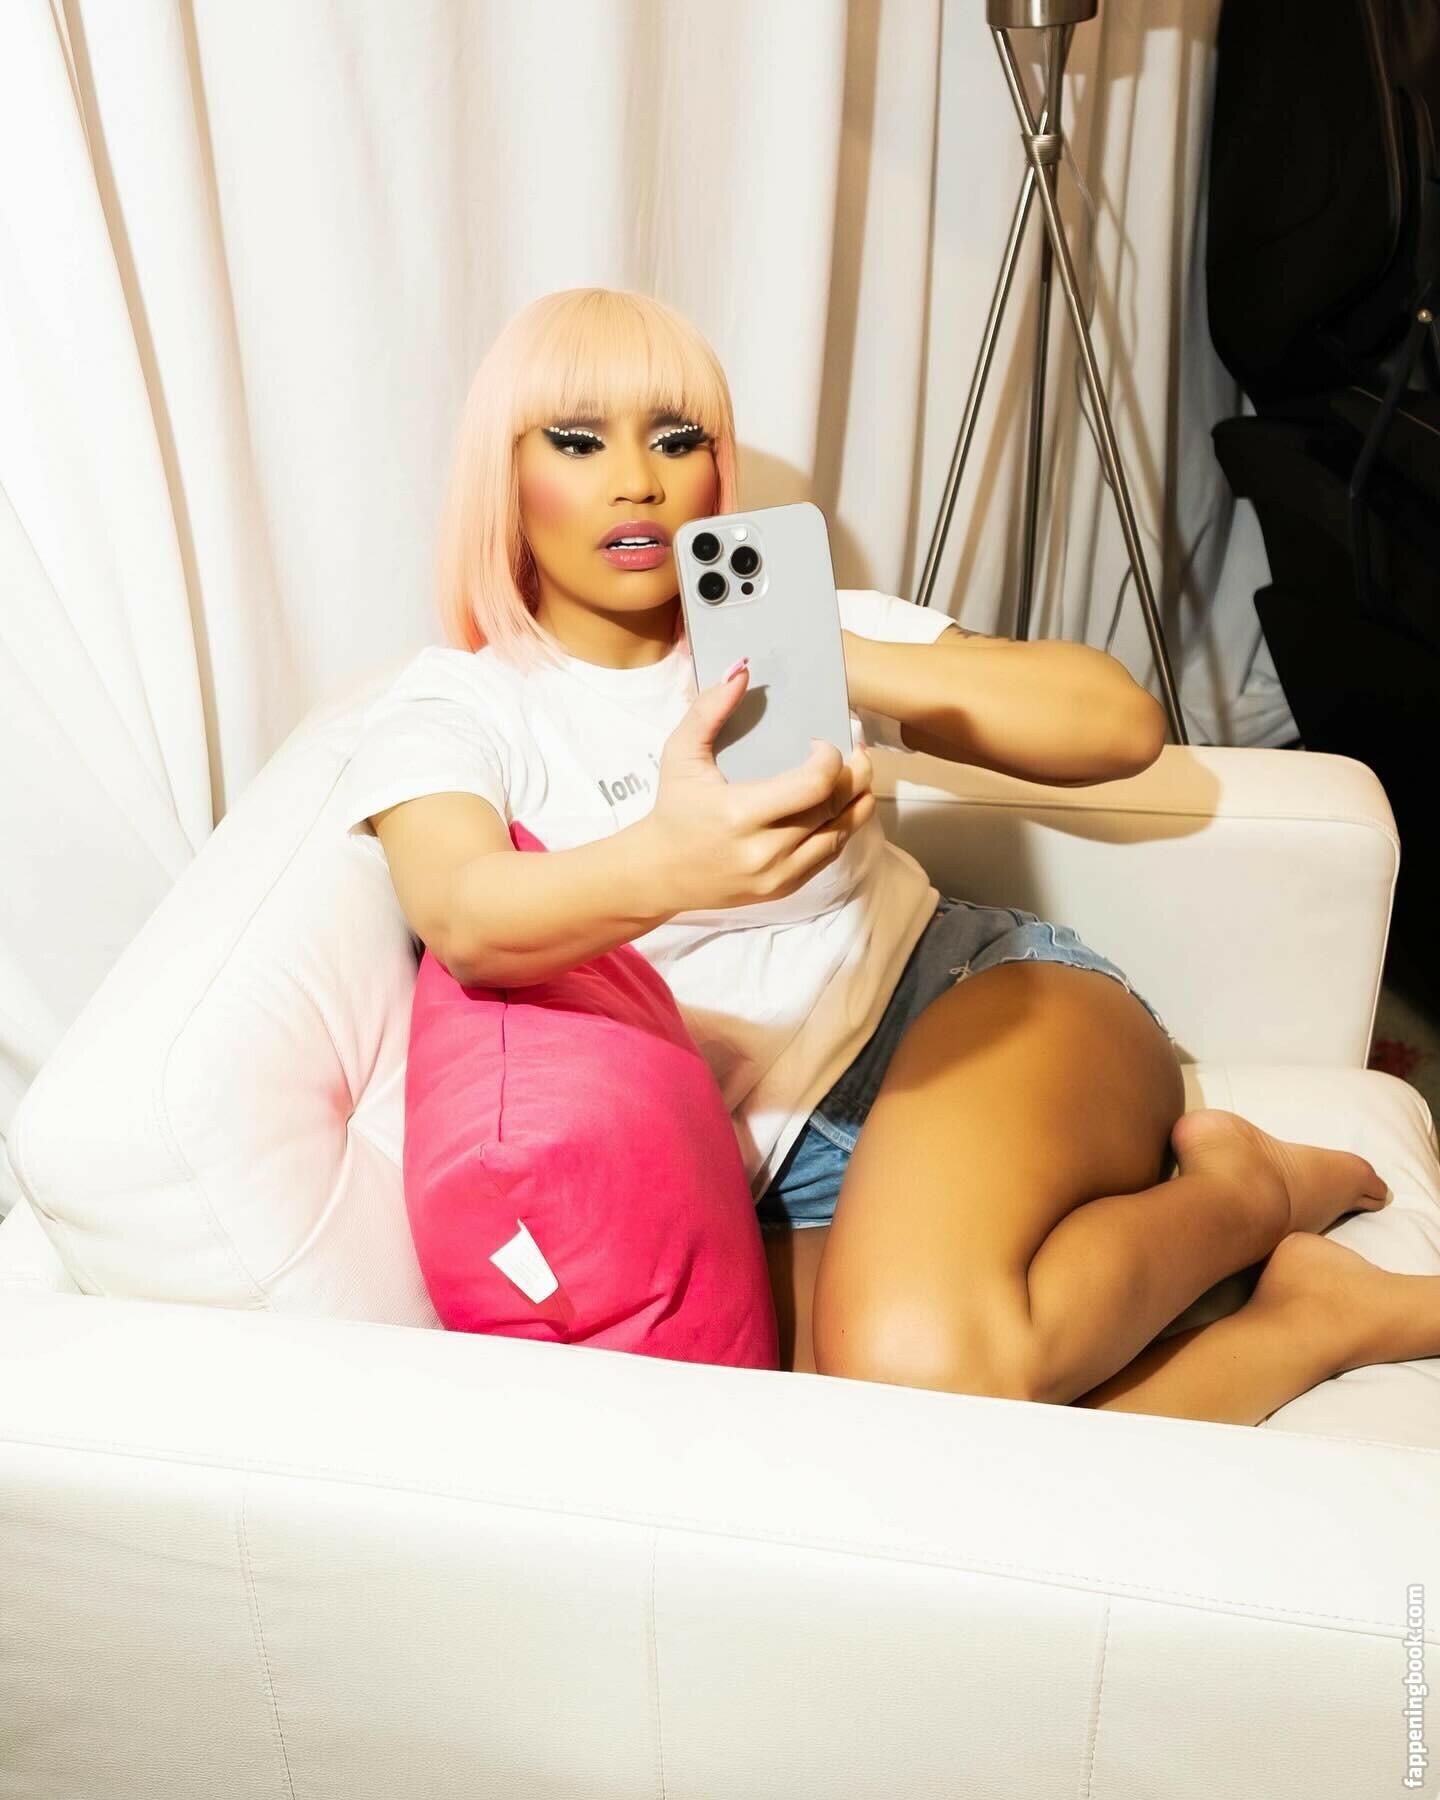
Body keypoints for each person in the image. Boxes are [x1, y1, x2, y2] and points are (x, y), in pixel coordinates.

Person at [337, 285, 1440, 1425]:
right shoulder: (462, 705)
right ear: (504, 474)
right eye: (578, 441)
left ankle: (1244, 1198)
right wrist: (671, 862)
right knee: (895, 1445)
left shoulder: (801, 621)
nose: (637, 481)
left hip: (967, 1007)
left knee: (918, 1361)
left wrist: (819, 651)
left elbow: (1117, 727)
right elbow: (464, 914)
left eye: (677, 438)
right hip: (766, 1169)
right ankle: (1312, 1317)